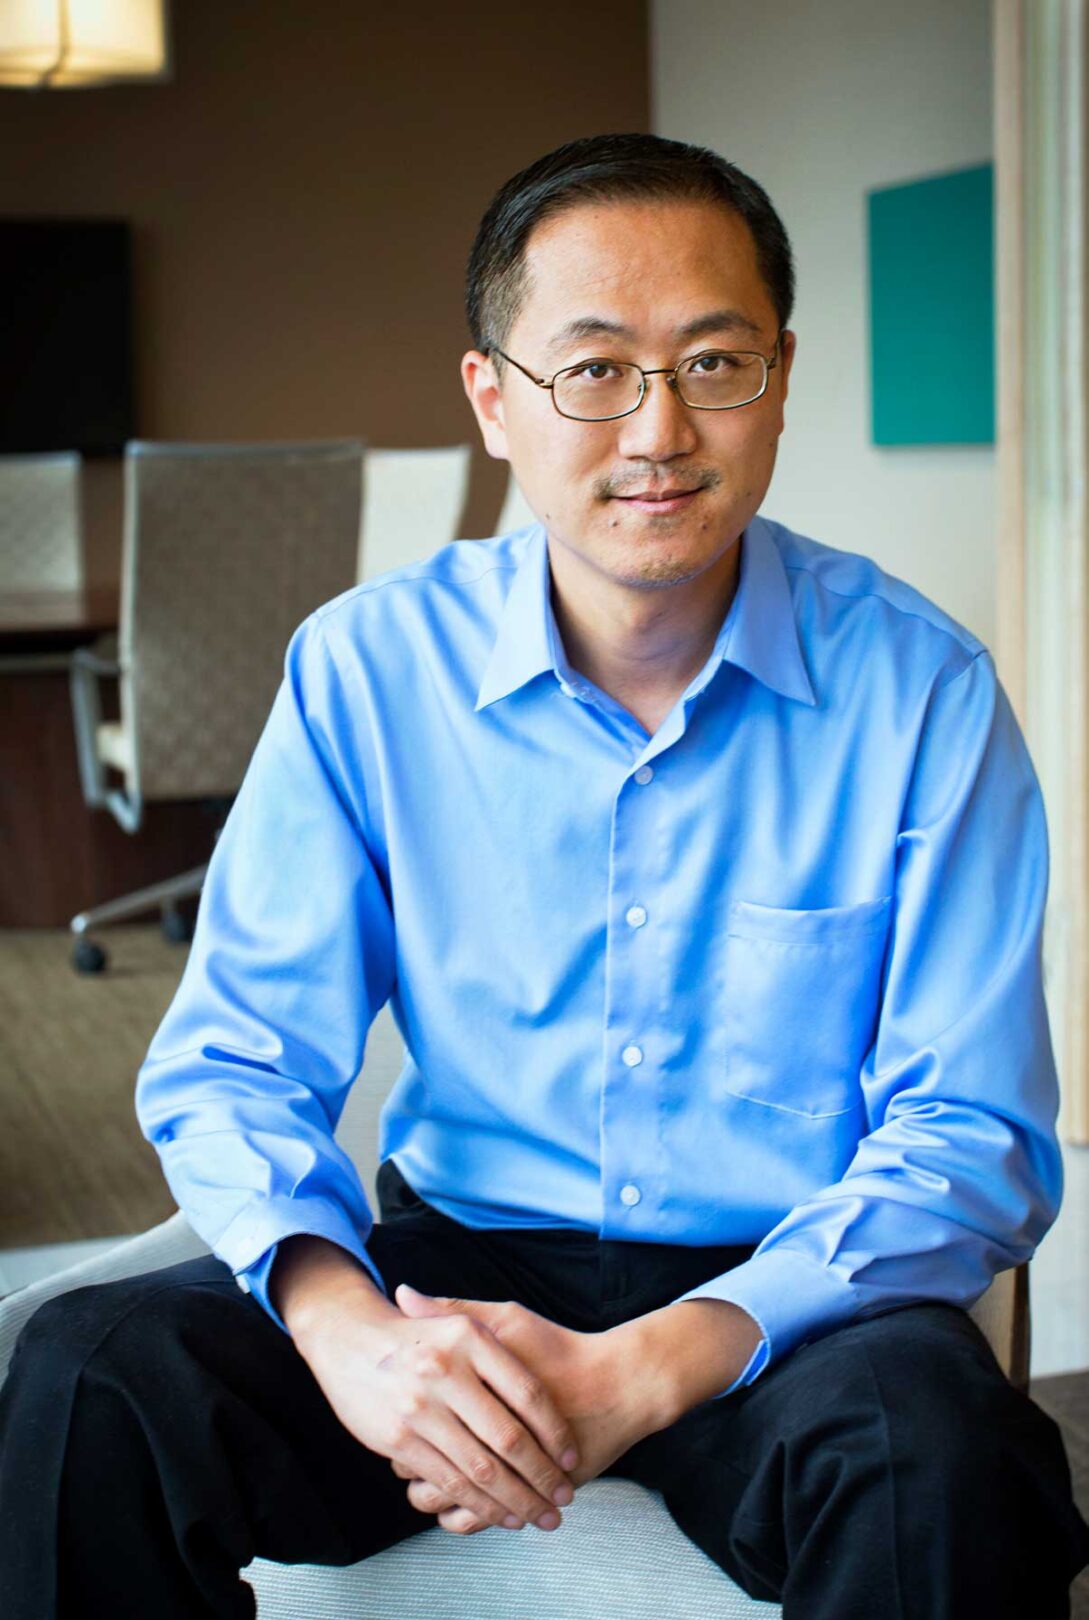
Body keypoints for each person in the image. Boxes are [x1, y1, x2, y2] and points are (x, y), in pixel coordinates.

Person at [2, 132, 1088, 1619]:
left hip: (773, 1295)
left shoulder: (920, 692)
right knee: (87, 1378)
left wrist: (646, 1367)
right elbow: (237, 1060)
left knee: (948, 1456)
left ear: (780, 378)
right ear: (493, 399)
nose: (655, 429)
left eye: (714, 363)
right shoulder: (368, 668)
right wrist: (359, 1346)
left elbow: (970, 1132)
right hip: (448, 1270)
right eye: (592, 368)